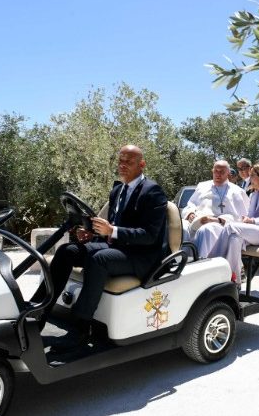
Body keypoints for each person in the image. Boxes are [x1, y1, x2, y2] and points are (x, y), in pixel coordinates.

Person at [33, 145, 168, 352]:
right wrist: (93, 233)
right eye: (120, 161)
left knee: (100, 259)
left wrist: (111, 230)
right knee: (67, 251)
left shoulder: (153, 192)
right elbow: (112, 227)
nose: (122, 165)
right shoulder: (118, 190)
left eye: (128, 162)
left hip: (142, 255)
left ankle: (81, 327)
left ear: (142, 165)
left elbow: (149, 236)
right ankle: (37, 313)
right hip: (118, 247)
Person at [208, 163, 259, 285]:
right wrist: (247, 219)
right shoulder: (254, 194)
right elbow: (251, 216)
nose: (249, 177)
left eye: (252, 175)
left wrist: (253, 221)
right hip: (256, 231)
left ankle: (210, 264)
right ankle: (234, 282)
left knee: (230, 226)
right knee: (234, 239)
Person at [181, 160, 249, 264]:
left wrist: (217, 220)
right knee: (181, 227)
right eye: (215, 171)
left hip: (219, 225)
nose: (218, 174)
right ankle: (181, 263)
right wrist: (190, 213)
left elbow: (241, 217)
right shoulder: (202, 186)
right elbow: (191, 204)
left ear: (228, 173)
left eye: (222, 172)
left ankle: (203, 265)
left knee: (206, 230)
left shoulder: (237, 191)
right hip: (196, 221)